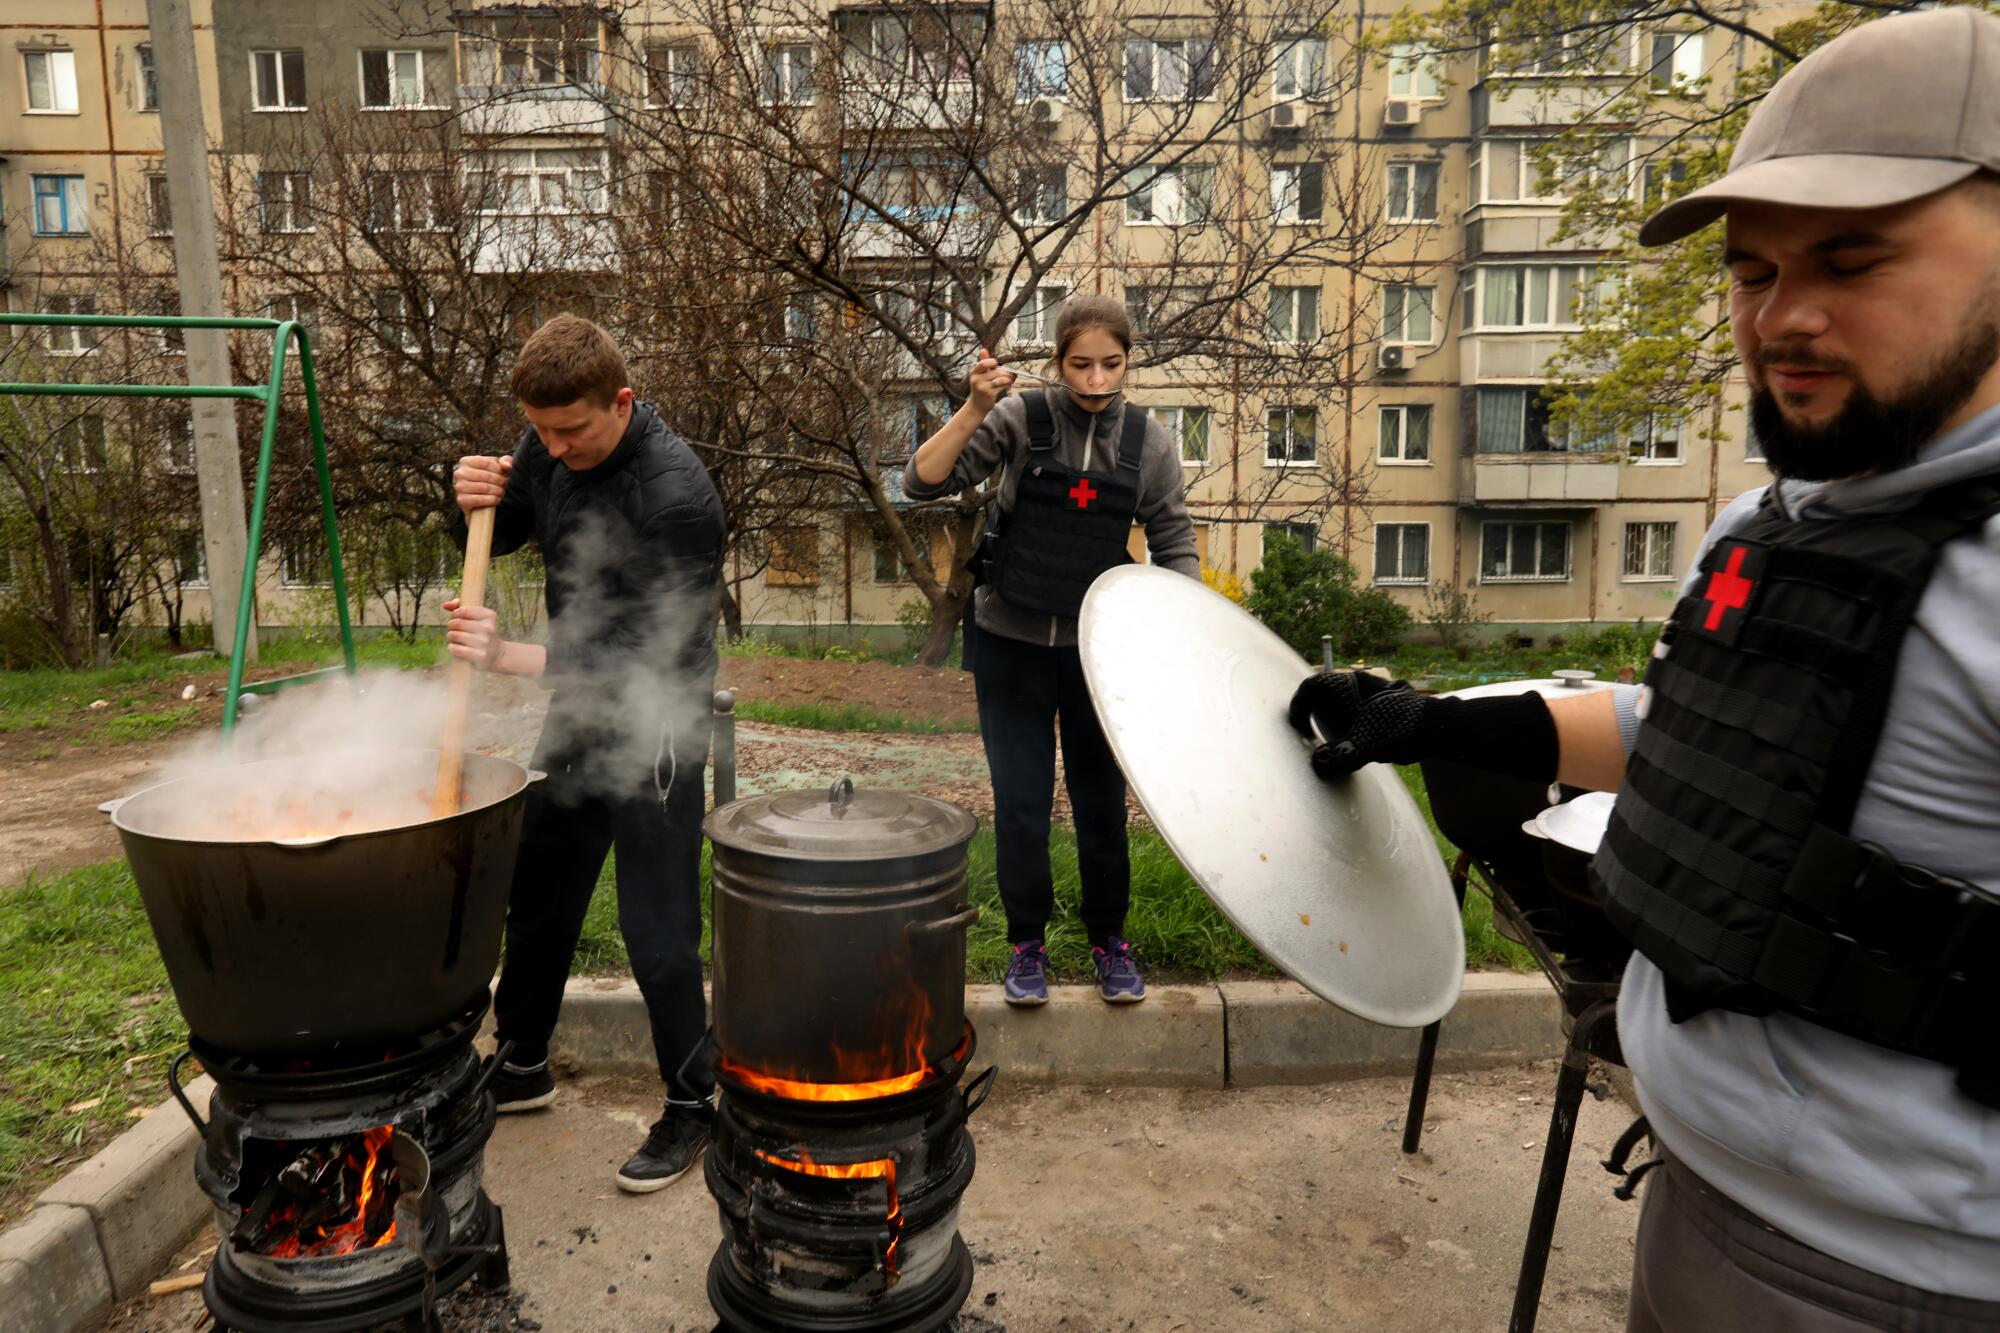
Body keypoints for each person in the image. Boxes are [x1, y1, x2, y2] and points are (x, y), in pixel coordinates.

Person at [1292, 10, 2000, 1328]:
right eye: (1752, 272)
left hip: (1906, 1285)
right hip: (1698, 1203)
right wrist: (1432, 720)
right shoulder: (1767, 528)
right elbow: (1681, 726)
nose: (1784, 319)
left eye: (1853, 259)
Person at [446, 314, 727, 1194]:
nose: (554, 449)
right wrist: (468, 504)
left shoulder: (677, 499)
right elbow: (509, 524)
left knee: (659, 928)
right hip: (577, 717)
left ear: (623, 402)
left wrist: (507, 658)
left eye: (573, 431)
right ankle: (522, 1060)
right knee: (538, 894)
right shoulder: (548, 446)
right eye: (540, 431)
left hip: (660, 729)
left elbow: (647, 660)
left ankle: (693, 1105)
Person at [903, 294, 1201, 1006]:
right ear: (1058, 360)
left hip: (1101, 661)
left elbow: (1175, 542)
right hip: (1010, 646)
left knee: (1102, 804)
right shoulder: (1018, 419)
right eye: (1080, 364)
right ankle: (1026, 944)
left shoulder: (1148, 443)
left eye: (1112, 363)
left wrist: (1186, 643)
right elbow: (921, 482)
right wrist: (973, 406)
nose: (1096, 379)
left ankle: (1109, 941)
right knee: (1023, 804)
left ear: (1129, 359)